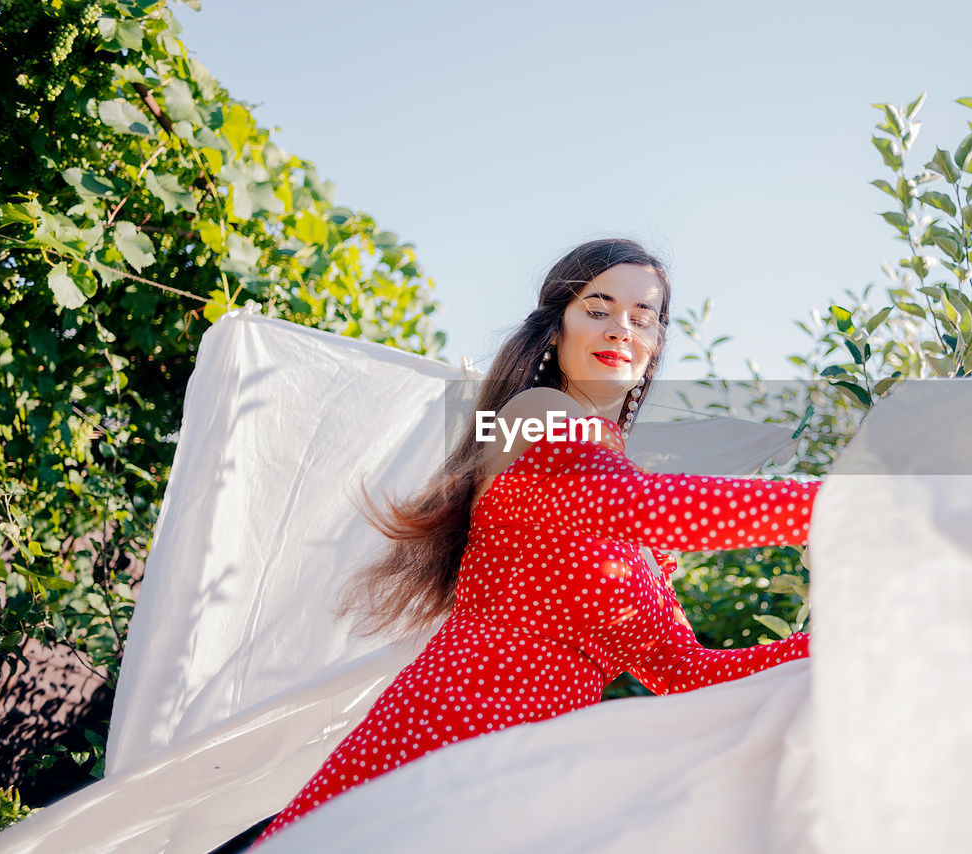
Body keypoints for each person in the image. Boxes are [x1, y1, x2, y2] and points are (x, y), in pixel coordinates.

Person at [251, 238, 821, 847]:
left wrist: (837, 643)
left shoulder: (634, 543)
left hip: (532, 772)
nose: (620, 329)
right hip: (450, 727)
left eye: (642, 316)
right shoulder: (535, 414)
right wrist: (847, 508)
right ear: (557, 331)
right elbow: (637, 505)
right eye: (597, 309)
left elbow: (686, 672)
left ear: (655, 346)